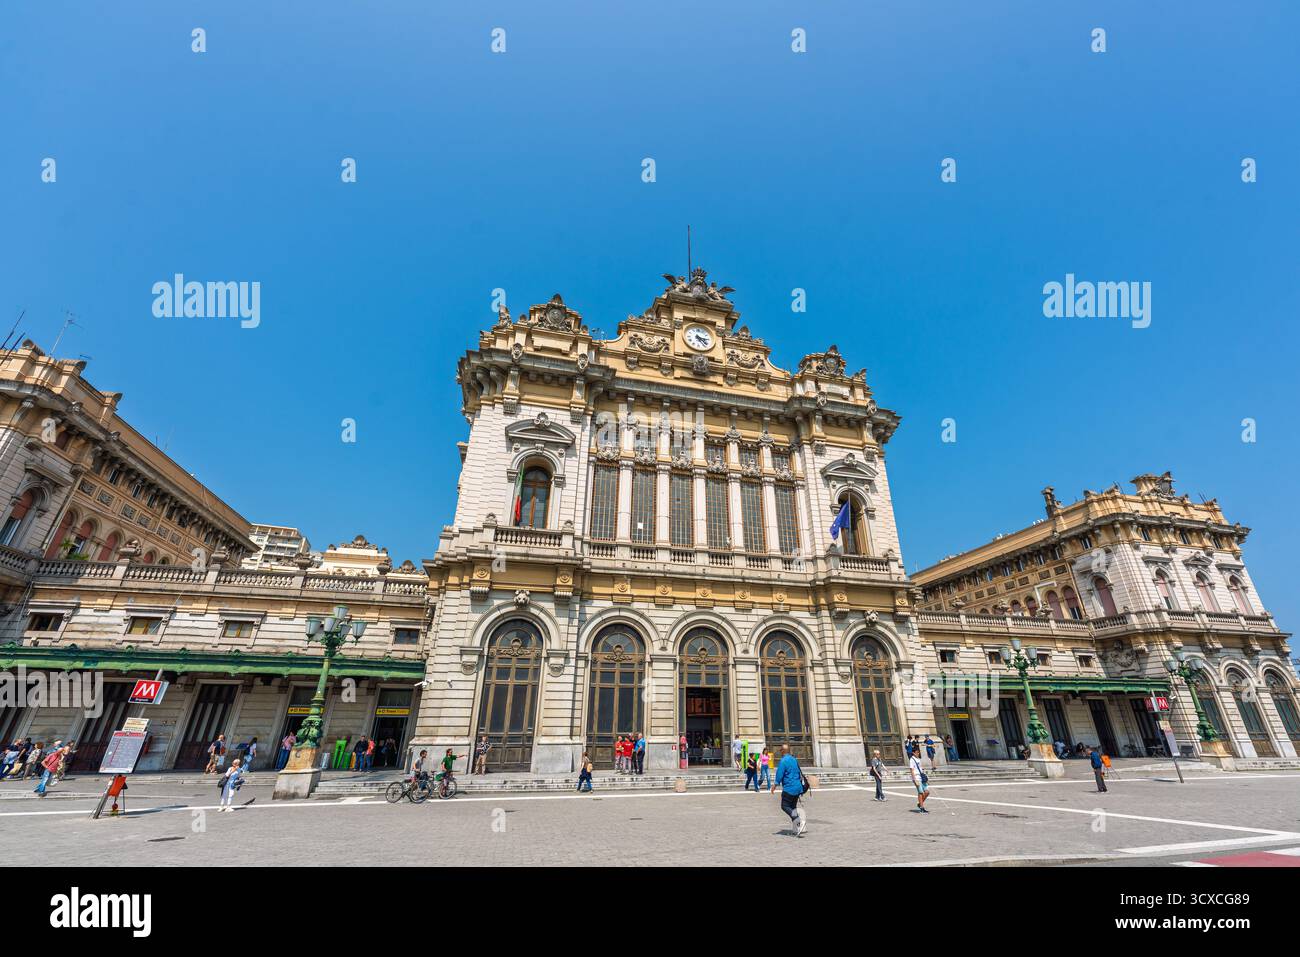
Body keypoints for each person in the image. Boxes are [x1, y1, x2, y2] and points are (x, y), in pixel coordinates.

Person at [769, 744, 807, 837]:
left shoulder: (783, 761)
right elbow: (798, 772)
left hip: (789, 787)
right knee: (793, 807)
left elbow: (779, 774)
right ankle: (796, 829)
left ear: (782, 751)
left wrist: (775, 785)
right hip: (797, 787)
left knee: (785, 806)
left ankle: (798, 821)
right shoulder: (794, 759)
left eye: (780, 750)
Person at [909, 745, 930, 813]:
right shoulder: (911, 760)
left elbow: (921, 769)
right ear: (913, 753)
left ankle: (919, 804)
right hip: (916, 778)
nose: (918, 753)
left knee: (927, 792)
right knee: (920, 792)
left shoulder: (918, 759)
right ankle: (922, 807)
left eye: (919, 752)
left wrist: (925, 777)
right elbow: (911, 770)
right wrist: (914, 779)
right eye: (917, 752)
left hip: (921, 777)